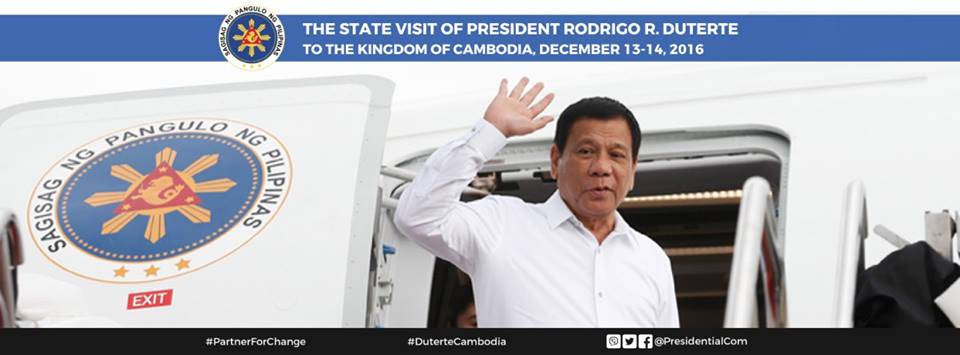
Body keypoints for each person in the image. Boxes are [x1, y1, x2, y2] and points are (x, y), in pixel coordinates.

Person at [394, 77, 678, 327]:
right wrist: (490, 132)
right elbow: (417, 216)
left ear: (632, 170)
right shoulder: (502, 224)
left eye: (616, 155)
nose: (601, 167)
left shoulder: (651, 259)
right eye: (586, 151)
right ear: (556, 161)